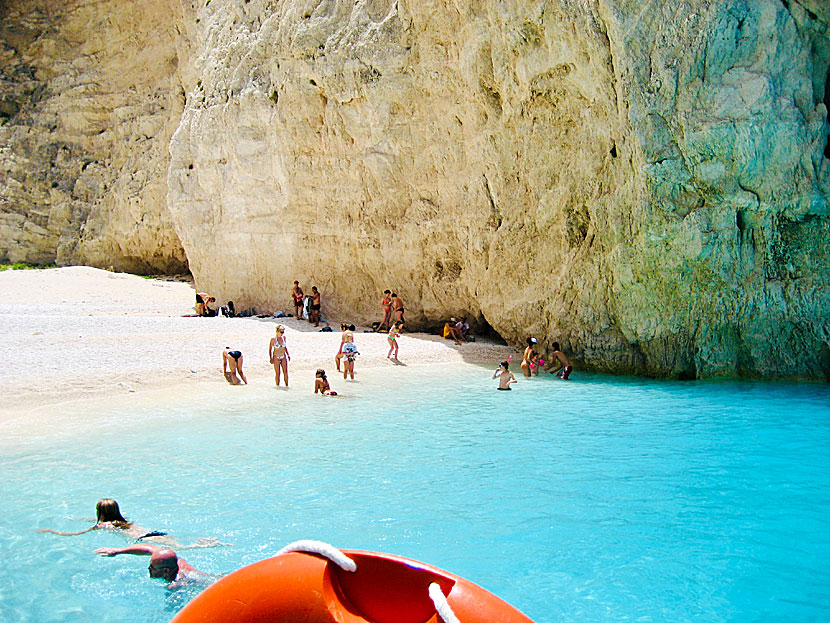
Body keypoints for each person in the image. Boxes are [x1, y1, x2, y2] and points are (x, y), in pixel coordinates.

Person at [38, 498, 223, 549]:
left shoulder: (104, 525)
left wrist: (52, 531)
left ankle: (205, 545)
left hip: (144, 539)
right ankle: (204, 541)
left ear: (101, 513)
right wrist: (77, 518)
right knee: (177, 542)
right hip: (154, 533)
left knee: (182, 548)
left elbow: (76, 534)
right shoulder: (122, 521)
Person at [94, 544, 210, 588]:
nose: (149, 569)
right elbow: (148, 548)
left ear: (165, 571)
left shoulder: (178, 583)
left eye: (152, 567)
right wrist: (118, 550)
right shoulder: (171, 559)